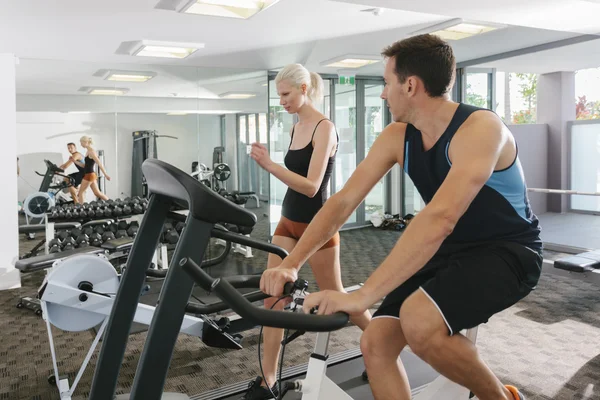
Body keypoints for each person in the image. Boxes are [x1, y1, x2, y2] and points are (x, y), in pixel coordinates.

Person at [260, 34, 542, 400]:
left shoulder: (480, 129)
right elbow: (343, 202)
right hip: (447, 250)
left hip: (508, 252)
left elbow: (440, 218)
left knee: (420, 323)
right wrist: (292, 264)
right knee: (375, 340)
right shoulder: (398, 136)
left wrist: (364, 294)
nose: (382, 94)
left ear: (410, 86)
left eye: (385, 83)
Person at [245, 63, 372, 400]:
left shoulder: (323, 128)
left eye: (286, 94)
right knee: (274, 297)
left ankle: (382, 344)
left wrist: (269, 165)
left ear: (303, 89)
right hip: (287, 221)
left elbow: (312, 187)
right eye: (279, 95)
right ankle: (268, 379)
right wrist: (271, 164)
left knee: (340, 295)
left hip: (317, 226)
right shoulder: (296, 126)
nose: (282, 101)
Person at [77, 135, 111, 203]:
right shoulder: (88, 151)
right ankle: (111, 203)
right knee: (97, 193)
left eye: (81, 143)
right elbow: (84, 165)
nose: (81, 145)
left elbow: (99, 163)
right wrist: (74, 161)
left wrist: (105, 174)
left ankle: (82, 210)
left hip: (89, 175)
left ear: (85, 142)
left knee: (81, 192)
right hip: (91, 175)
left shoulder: (91, 152)